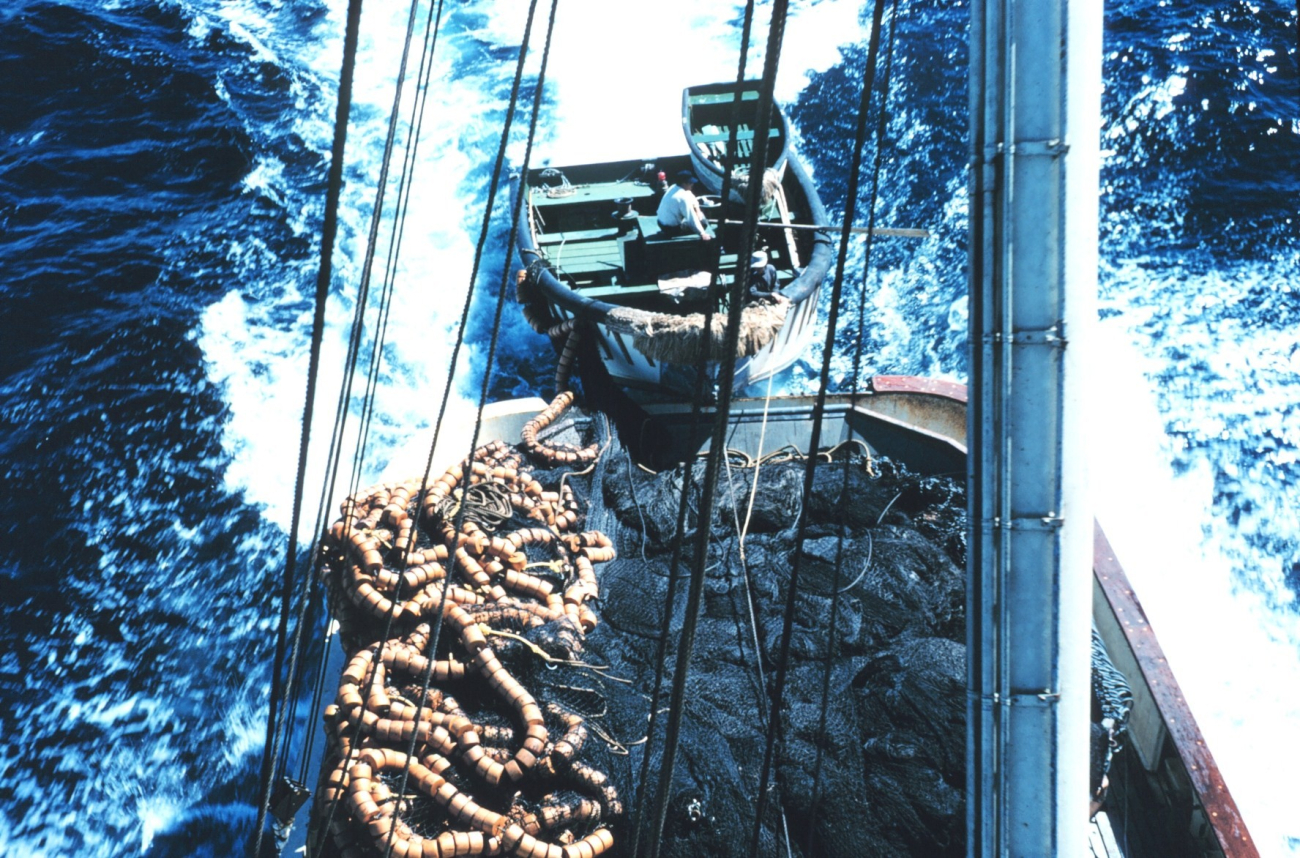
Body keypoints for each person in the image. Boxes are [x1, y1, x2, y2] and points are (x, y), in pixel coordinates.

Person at [656, 170, 712, 240]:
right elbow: (691, 218)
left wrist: (697, 210)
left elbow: (690, 194)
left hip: (660, 222)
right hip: (670, 229)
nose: (693, 184)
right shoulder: (682, 198)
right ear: (684, 183)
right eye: (690, 183)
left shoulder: (674, 187)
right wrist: (702, 233)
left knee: (697, 214)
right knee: (703, 223)